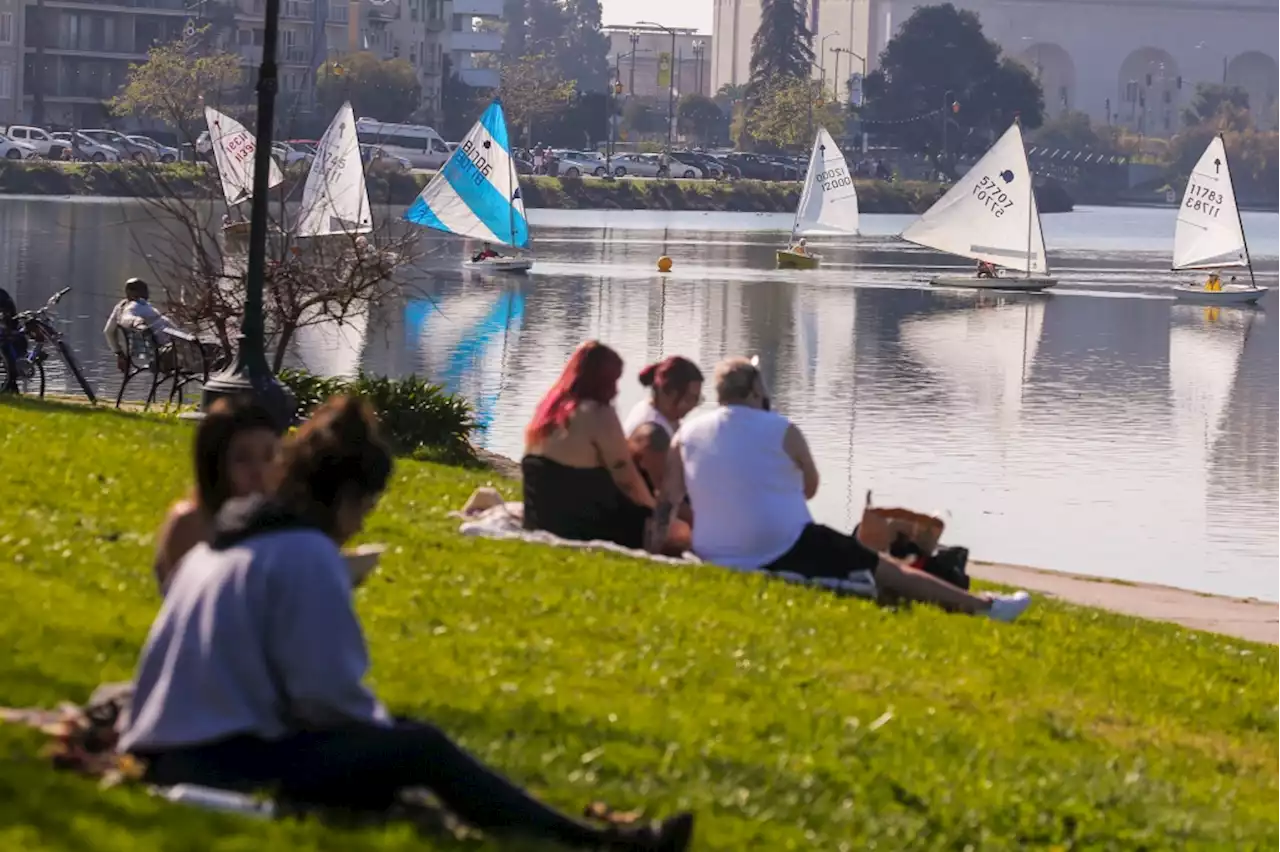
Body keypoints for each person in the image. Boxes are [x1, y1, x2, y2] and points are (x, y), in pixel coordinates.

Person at [120, 396, 694, 850]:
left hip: (167, 742)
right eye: (364, 510)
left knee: (405, 736)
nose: (359, 524)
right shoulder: (305, 555)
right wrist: (382, 738)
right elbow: (327, 696)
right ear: (344, 499)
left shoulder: (228, 544)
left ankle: (570, 833)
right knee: (420, 746)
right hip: (214, 759)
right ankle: (591, 842)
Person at [646, 358, 1033, 622]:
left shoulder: (686, 434)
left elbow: (667, 503)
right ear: (752, 393)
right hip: (784, 545)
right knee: (887, 569)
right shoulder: (782, 429)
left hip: (714, 550)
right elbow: (810, 489)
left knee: (863, 565)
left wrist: (648, 553)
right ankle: (983, 607)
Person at [522, 341, 687, 551]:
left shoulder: (547, 411)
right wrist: (655, 511)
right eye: (615, 381)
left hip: (543, 520)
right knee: (680, 532)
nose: (617, 390)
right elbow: (627, 480)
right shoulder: (598, 414)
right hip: (587, 525)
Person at [152, 396, 282, 593]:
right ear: (214, 464)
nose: (260, 472)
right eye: (242, 459)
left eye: (269, 456)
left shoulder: (286, 522)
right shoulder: (193, 524)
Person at [103, 277, 178, 372]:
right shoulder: (134, 306)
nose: (147, 294)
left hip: (165, 346)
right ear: (132, 292)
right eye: (144, 290)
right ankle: (162, 364)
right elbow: (126, 318)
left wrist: (119, 353)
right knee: (195, 347)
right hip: (166, 348)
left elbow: (108, 331)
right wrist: (136, 322)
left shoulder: (120, 307)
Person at [623, 355, 704, 439]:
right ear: (668, 393)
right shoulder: (651, 430)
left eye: (697, 399)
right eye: (689, 399)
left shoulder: (664, 415)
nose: (693, 406)